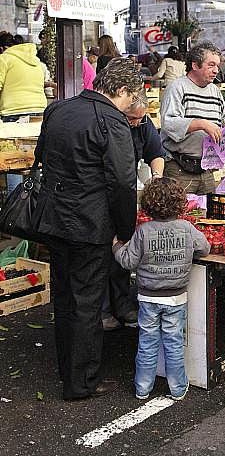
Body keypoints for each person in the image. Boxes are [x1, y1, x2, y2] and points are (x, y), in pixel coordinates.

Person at [31, 58, 142, 400]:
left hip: (53, 219)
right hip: (89, 226)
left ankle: (69, 371)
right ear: (121, 91)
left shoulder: (58, 109)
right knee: (87, 305)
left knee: (65, 298)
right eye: (132, 97)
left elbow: (40, 156)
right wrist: (125, 231)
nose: (131, 104)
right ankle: (81, 383)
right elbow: (123, 183)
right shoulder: (113, 121)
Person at [113, 177, 210, 400]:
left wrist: (117, 247)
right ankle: (177, 389)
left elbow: (128, 262)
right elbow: (205, 248)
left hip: (148, 297)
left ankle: (142, 388)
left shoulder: (143, 231)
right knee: (174, 343)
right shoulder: (186, 227)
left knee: (147, 343)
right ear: (179, 203)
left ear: (148, 204)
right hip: (176, 298)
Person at [102, 92, 166, 331]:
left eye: (140, 118)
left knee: (124, 248)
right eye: (132, 118)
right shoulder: (107, 123)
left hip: (126, 193)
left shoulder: (144, 123)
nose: (136, 122)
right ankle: (103, 309)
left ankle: (122, 304)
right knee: (102, 255)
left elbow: (155, 153)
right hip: (103, 194)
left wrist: (156, 178)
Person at [161, 41, 225, 195]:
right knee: (179, 212)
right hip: (180, 167)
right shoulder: (177, 87)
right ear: (195, 65)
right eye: (211, 65)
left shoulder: (214, 90)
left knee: (207, 214)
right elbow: (169, 123)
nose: (216, 71)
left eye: (217, 66)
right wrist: (201, 124)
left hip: (207, 167)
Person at [0, 32, 47, 120]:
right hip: (40, 109)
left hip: (13, 111)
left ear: (2, 48)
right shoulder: (36, 60)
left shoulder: (4, 59)